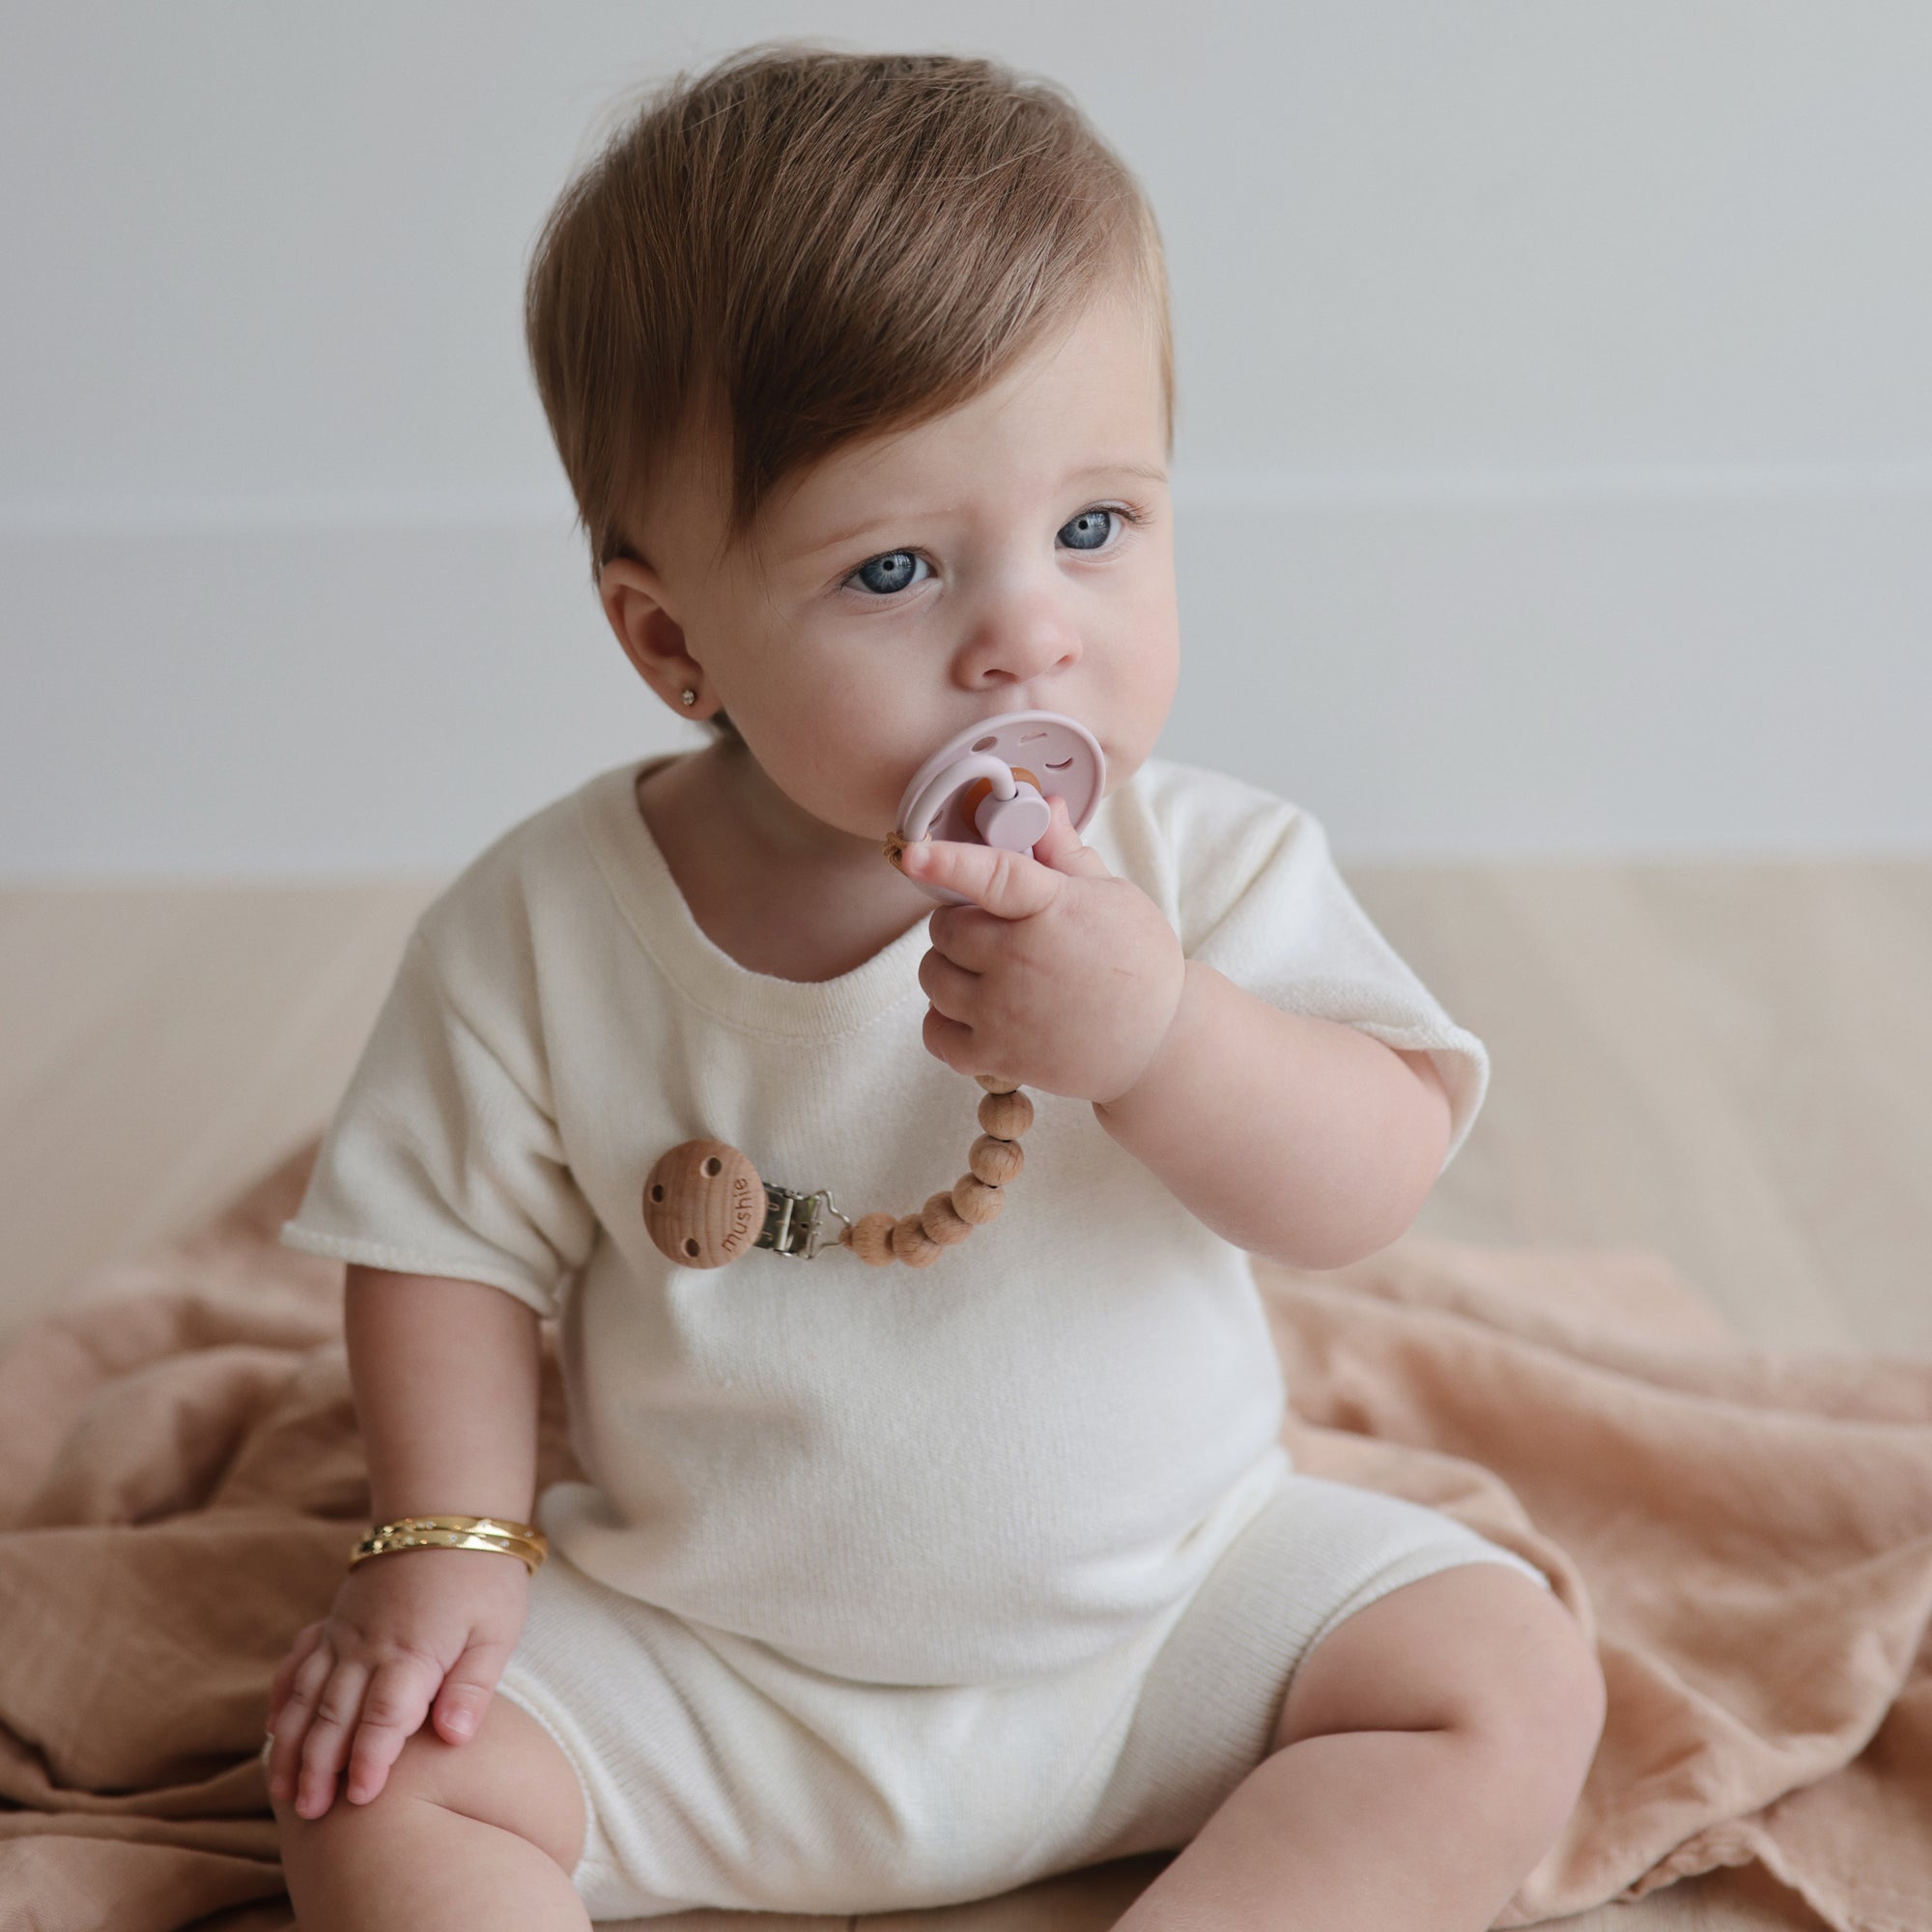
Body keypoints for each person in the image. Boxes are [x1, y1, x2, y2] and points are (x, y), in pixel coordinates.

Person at [261, 43, 1605, 1931]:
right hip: (709, 1659)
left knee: (1507, 1671)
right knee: (373, 1784)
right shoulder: (547, 921)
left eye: (1094, 526)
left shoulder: (1196, 865)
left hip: (1165, 1626)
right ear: (671, 641)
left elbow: (1365, 1176)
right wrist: (449, 1541)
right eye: (896, 565)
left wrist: (1162, 1038)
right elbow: (435, 1251)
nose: (1028, 633)